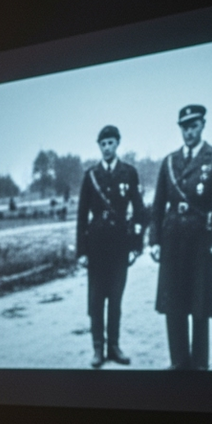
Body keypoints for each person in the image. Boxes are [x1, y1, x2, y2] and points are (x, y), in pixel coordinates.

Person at [149, 105, 212, 370]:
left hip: (202, 241)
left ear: (202, 125)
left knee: (200, 304)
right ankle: (178, 362)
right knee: (173, 305)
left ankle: (200, 365)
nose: (189, 131)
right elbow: (158, 204)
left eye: (194, 126)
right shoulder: (169, 162)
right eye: (184, 127)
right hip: (173, 241)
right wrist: (154, 240)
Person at [76, 125, 146, 368]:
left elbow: (139, 210)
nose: (107, 148)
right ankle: (98, 348)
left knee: (115, 298)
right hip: (95, 246)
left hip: (119, 245)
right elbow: (82, 216)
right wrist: (82, 251)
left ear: (117, 144)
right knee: (96, 299)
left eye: (110, 143)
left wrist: (137, 245)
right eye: (103, 144)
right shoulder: (91, 175)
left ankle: (114, 346)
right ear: (99, 146)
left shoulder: (129, 173)